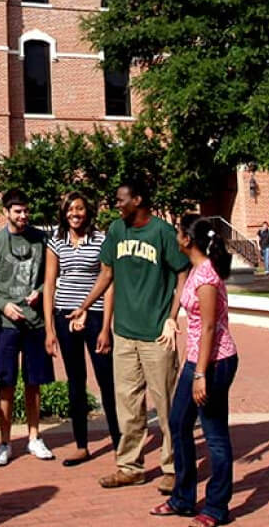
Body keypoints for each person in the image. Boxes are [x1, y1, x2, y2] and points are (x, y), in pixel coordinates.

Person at [76, 178, 190, 492]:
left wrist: (172, 317)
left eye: (120, 199)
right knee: (127, 404)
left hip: (157, 334)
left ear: (138, 199)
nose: (116, 204)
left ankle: (173, 468)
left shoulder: (163, 233)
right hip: (124, 334)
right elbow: (106, 273)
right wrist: (86, 306)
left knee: (166, 405)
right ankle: (129, 466)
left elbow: (182, 274)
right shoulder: (116, 231)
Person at [153, 216, 239, 526]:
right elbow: (183, 302)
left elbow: (209, 327)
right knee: (178, 423)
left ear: (188, 240)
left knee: (214, 436)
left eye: (178, 232)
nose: (175, 235)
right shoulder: (194, 270)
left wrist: (201, 373)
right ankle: (183, 498)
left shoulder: (206, 278)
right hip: (197, 360)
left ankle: (216, 507)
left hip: (215, 362)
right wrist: (170, 318)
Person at [0, 188, 55, 467]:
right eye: (17, 211)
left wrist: (40, 290)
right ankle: (5, 442)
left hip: (35, 323)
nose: (23, 216)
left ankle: (35, 437)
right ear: (6, 212)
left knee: (34, 382)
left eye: (26, 211)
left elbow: (52, 275)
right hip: (7, 324)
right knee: (6, 383)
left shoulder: (41, 240)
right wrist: (3, 305)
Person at [45, 191, 119, 467]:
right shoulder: (56, 240)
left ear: (87, 211)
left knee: (106, 379)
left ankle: (120, 441)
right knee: (75, 381)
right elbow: (50, 283)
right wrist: (50, 329)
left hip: (96, 316)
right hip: (65, 315)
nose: (74, 214)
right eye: (69, 210)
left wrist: (105, 327)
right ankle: (81, 445)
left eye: (79, 209)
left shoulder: (101, 239)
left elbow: (108, 281)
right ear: (64, 213)